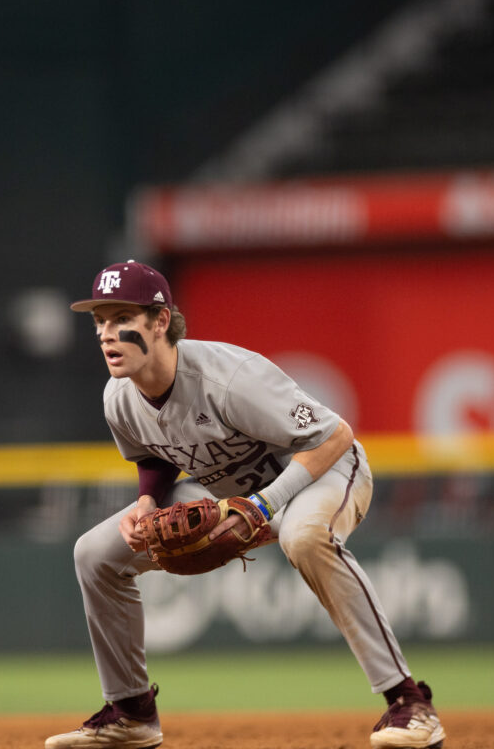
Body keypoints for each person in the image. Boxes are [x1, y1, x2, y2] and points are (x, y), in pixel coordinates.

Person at [46, 260, 444, 749]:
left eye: (121, 318)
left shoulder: (229, 378)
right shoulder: (119, 399)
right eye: (99, 321)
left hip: (322, 471)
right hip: (231, 493)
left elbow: (334, 435)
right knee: (94, 554)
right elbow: (154, 453)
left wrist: (263, 506)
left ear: (160, 320)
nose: (107, 333)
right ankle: (131, 714)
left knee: (304, 535)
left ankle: (409, 703)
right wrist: (147, 501)